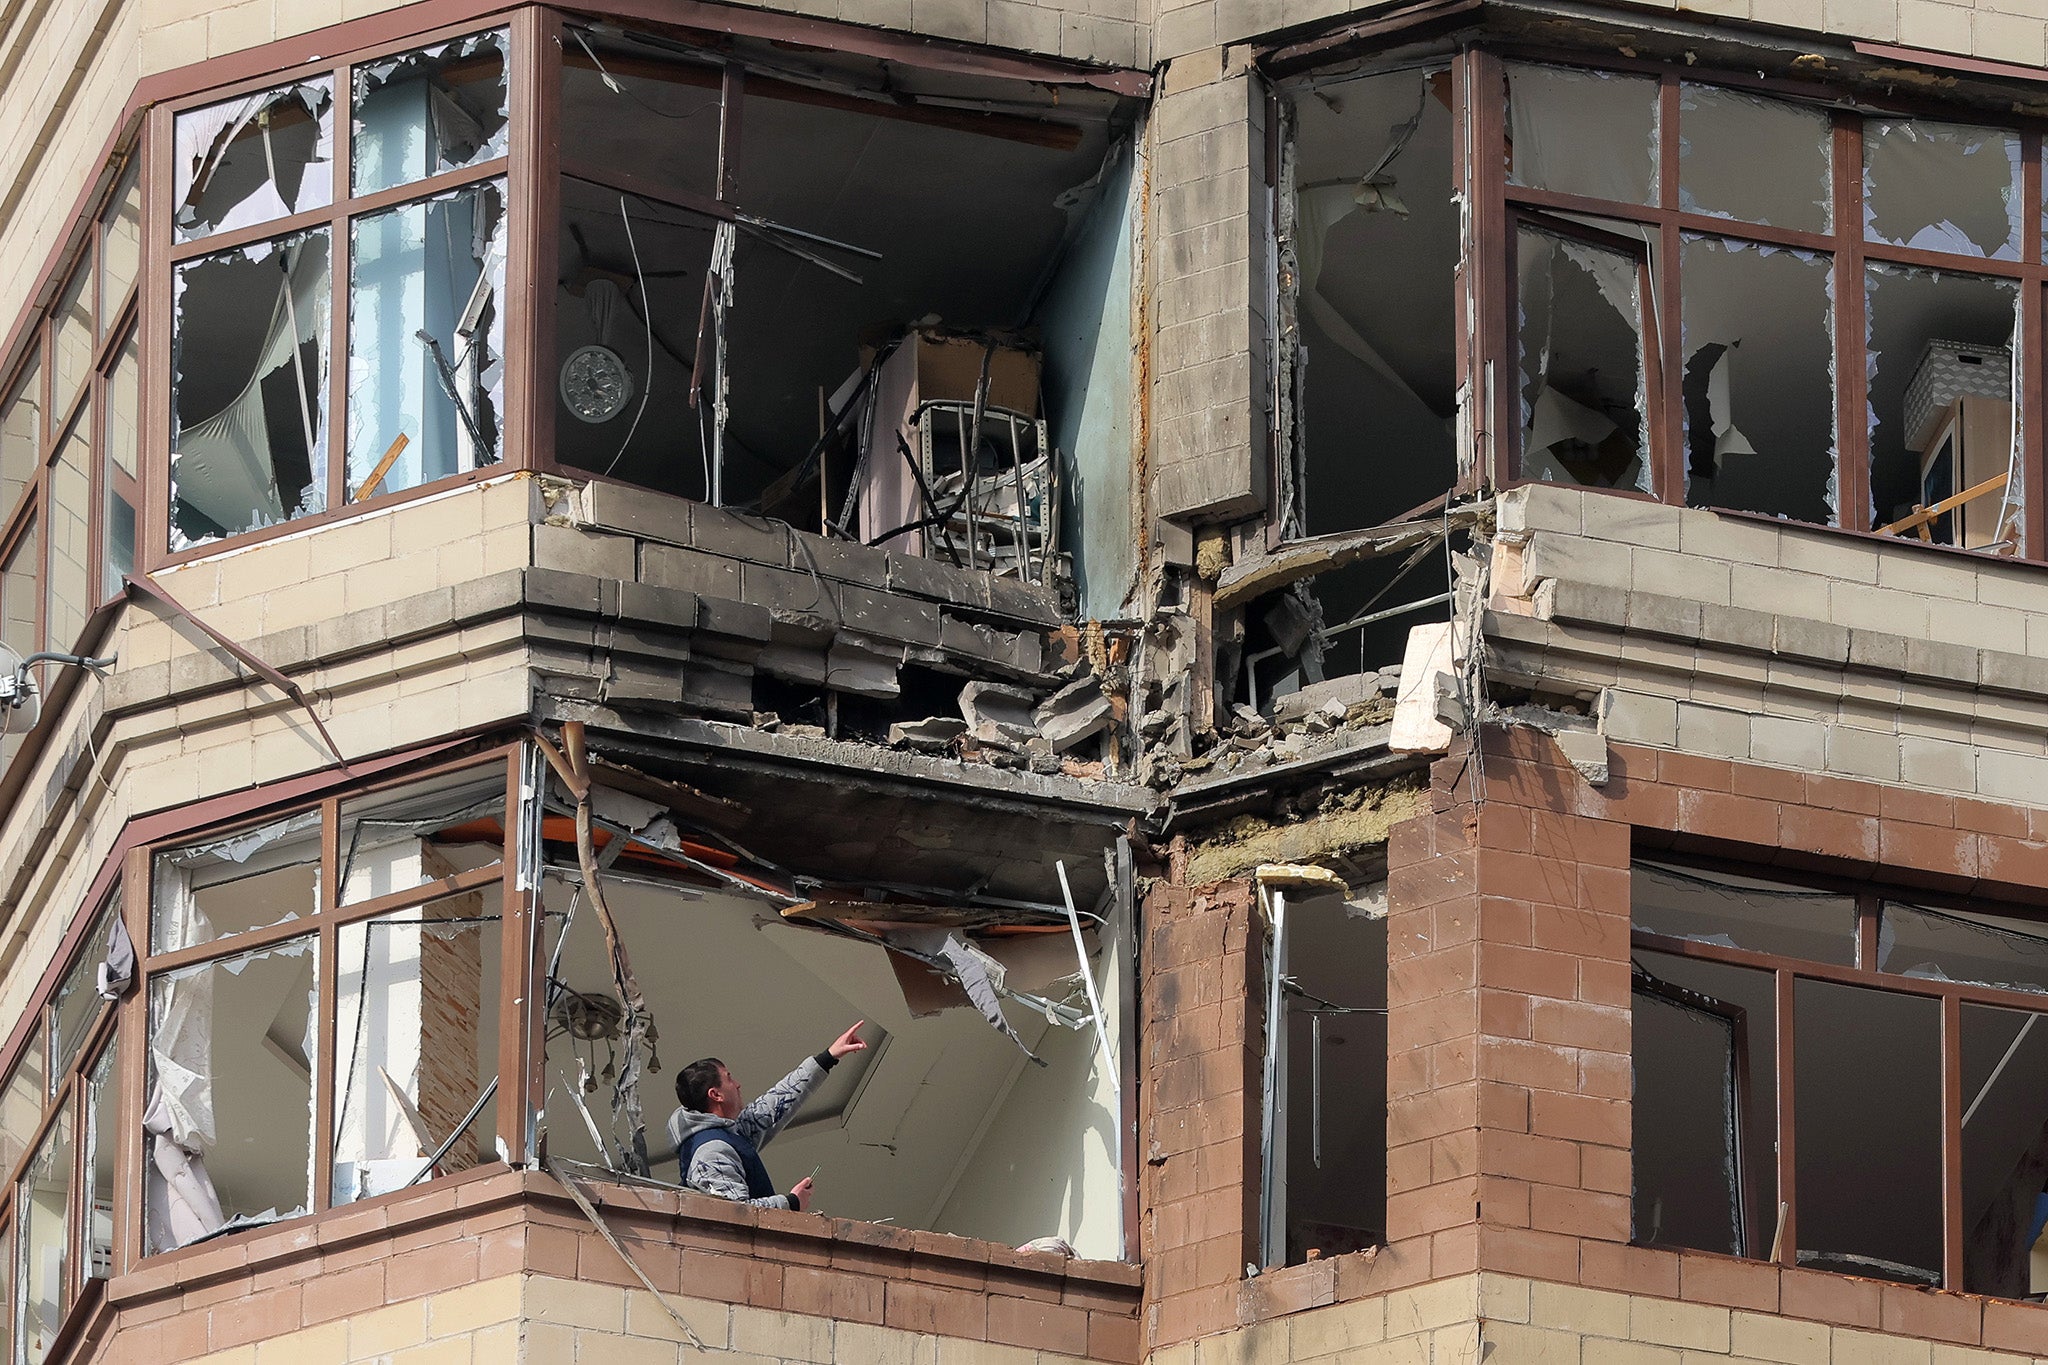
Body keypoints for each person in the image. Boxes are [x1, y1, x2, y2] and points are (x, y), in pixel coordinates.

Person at [669, 1021, 868, 1211]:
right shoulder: (711, 1152)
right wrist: (791, 1202)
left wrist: (829, 1056)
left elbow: (773, 1105)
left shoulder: (729, 1133)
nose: (737, 1084)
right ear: (716, 1095)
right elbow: (733, 1215)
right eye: (729, 1078)